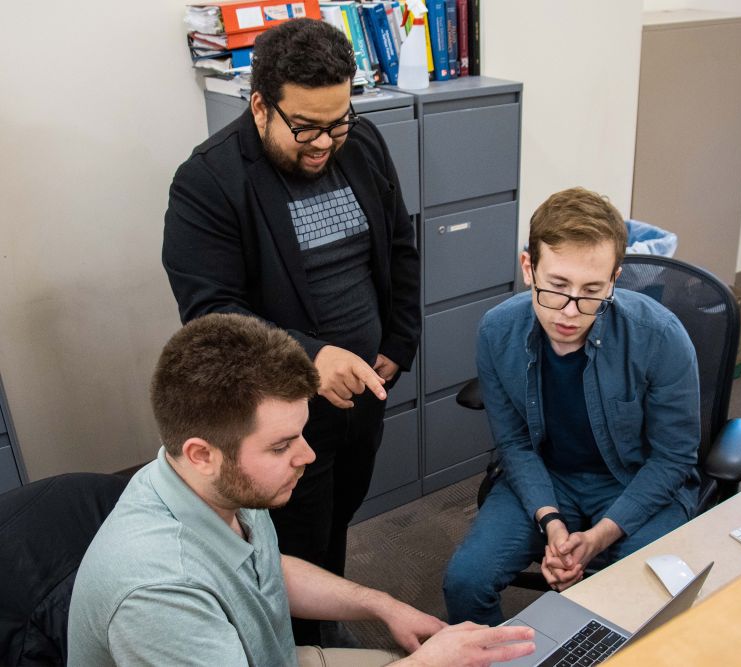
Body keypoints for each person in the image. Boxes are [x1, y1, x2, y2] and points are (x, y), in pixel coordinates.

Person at [67, 314, 534, 667]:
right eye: (281, 446)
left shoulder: (213, 484)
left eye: (300, 434)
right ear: (202, 454)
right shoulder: (159, 597)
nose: (306, 456)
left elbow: (266, 569)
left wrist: (383, 606)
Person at [162, 18, 420, 643]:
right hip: (281, 418)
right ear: (260, 105)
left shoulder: (363, 142)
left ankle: (322, 624)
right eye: (305, 127)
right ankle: (299, 644)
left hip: (362, 395)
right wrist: (311, 357)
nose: (324, 143)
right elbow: (211, 314)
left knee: (337, 521)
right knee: (289, 542)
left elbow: (398, 243)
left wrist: (397, 340)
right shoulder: (208, 182)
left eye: (338, 121)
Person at [443, 187, 701, 625]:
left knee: (646, 598)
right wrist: (552, 521)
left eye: (591, 291)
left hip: (635, 479)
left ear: (615, 279)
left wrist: (599, 537)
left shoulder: (660, 336)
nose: (569, 312)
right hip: (549, 475)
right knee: (465, 581)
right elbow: (514, 444)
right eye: (557, 287)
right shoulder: (497, 331)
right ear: (528, 267)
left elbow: (673, 457)